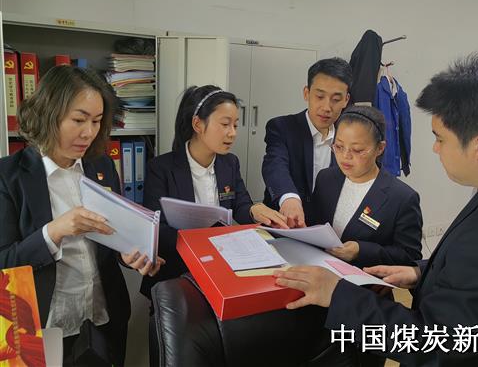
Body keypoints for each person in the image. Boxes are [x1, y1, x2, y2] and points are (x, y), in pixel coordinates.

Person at [275, 55, 478, 366]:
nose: (435, 148)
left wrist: (337, 294)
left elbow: (436, 346)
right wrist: (422, 272)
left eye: (440, 139)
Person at [0, 65, 163, 366]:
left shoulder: (102, 165)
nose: (89, 133)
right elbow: (4, 261)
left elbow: (112, 238)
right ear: (48, 113)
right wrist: (54, 231)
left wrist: (130, 254)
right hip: (39, 323)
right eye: (78, 120)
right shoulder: (8, 177)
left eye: (97, 121)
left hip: (103, 315)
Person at [140, 85, 288, 298]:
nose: (232, 133)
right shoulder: (161, 168)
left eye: (235, 125)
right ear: (198, 124)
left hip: (220, 269)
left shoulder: (229, 163)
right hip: (176, 273)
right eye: (225, 124)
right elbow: (158, 230)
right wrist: (205, 244)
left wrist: (255, 210)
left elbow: (240, 205)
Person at [312, 105, 422, 269]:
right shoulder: (326, 178)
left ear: (380, 148)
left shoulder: (402, 198)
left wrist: (361, 251)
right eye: (339, 147)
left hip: (364, 281)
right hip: (319, 270)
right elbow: (312, 225)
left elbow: (410, 257)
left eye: (357, 150)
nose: (345, 156)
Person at [262, 57, 351, 228]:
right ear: (306, 93)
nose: (326, 107)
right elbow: (275, 165)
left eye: (336, 99)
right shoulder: (282, 127)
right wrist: (289, 199)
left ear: (346, 100)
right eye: (320, 96)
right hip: (285, 225)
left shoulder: (350, 137)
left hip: (329, 230)